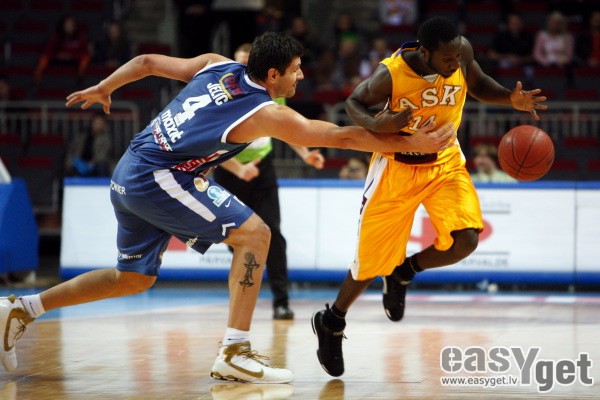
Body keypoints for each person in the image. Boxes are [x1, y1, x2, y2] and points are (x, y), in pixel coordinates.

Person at [0, 32, 457, 383]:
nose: (301, 77)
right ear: (273, 75)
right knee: (256, 235)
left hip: (131, 167)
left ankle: (21, 308)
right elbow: (340, 137)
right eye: (296, 70)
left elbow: (146, 62)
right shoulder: (265, 113)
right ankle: (234, 352)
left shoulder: (215, 64)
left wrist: (105, 87)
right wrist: (409, 144)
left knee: (133, 278)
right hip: (159, 177)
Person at [311, 16, 547, 377]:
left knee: (466, 239)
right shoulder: (392, 74)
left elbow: (478, 83)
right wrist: (376, 123)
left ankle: (404, 271)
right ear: (425, 53)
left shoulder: (460, 52)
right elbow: (353, 102)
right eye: (447, 59)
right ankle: (331, 321)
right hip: (396, 168)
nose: (455, 63)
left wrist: (509, 98)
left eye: (458, 56)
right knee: (368, 266)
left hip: (444, 162)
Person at [214, 43, 325, 320]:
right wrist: (239, 169)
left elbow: (287, 128)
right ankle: (239, 304)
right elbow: (209, 146)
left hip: (262, 169)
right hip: (229, 171)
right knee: (235, 239)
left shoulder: (273, 94)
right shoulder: (225, 94)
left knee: (273, 234)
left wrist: (305, 154)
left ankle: (281, 301)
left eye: (248, 63)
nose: (245, 69)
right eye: (240, 63)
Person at [34, 15, 91, 84]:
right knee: (44, 57)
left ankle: (80, 78)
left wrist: (71, 55)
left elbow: (85, 52)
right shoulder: (56, 37)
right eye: (67, 25)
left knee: (85, 58)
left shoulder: (79, 37)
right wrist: (58, 54)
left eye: (71, 25)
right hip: (57, 58)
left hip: (73, 59)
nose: (69, 27)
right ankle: (36, 79)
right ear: (63, 25)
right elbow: (48, 50)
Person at [65, 112, 115, 177]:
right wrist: (71, 161)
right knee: (71, 167)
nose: (97, 125)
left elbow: (103, 155)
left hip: (95, 165)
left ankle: (102, 183)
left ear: (104, 125)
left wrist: (92, 163)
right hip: (80, 163)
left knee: (102, 166)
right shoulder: (82, 136)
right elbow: (72, 151)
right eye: (96, 123)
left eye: (100, 123)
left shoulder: (106, 139)